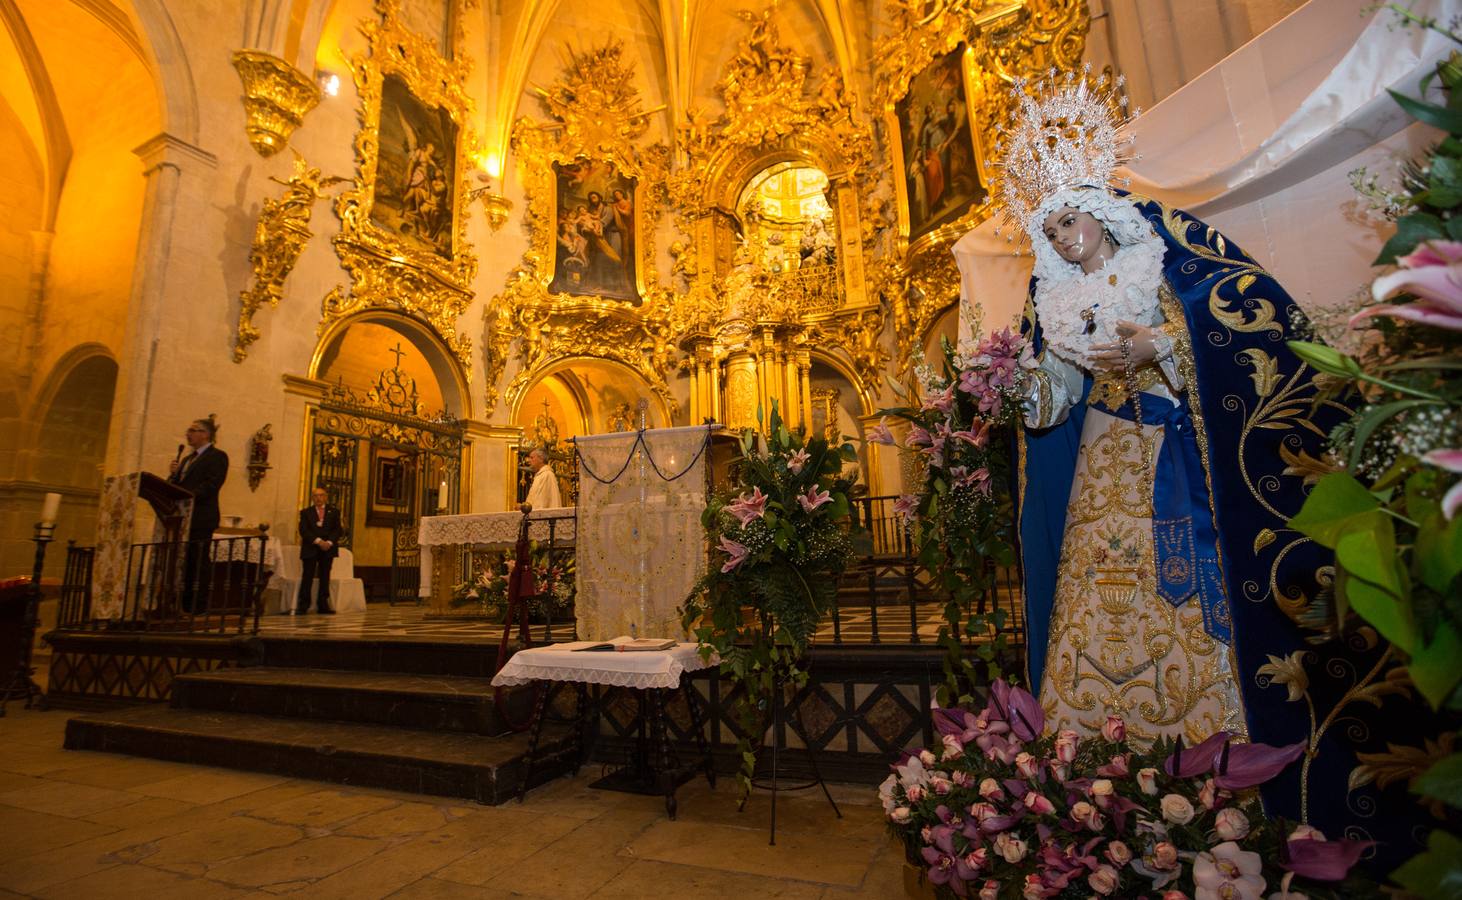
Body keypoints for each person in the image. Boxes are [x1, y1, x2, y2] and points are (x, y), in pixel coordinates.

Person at [996, 73, 1339, 779]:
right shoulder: (1054, 301)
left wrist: (1165, 347)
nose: (1064, 239)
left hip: (1167, 450)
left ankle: (1209, 746)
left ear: (1098, 207)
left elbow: (1245, 327)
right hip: (1099, 469)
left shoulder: (1162, 264)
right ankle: (1094, 756)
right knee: (1094, 595)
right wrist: (1010, 383)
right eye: (1051, 228)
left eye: (1070, 221)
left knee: (1179, 592)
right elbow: (1053, 403)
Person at [168, 417, 229, 614]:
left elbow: (212, 484)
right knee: (185, 562)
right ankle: (183, 604)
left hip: (202, 516)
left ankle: (198, 606)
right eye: (189, 429)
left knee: (198, 560)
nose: (188, 433)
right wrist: (173, 476)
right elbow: (176, 487)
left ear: (206, 434)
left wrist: (188, 496)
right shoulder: (187, 459)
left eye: (193, 430)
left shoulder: (217, 456)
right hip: (183, 518)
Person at [296, 486, 343, 615]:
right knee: (307, 576)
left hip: (328, 548)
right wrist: (318, 541)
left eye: (321, 495)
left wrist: (328, 542)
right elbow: (303, 530)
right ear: (312, 498)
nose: (318, 498)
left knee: (325, 576)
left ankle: (323, 605)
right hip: (311, 547)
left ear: (326, 497)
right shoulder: (306, 512)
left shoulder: (334, 512)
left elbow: (338, 530)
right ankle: (303, 605)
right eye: (316, 495)